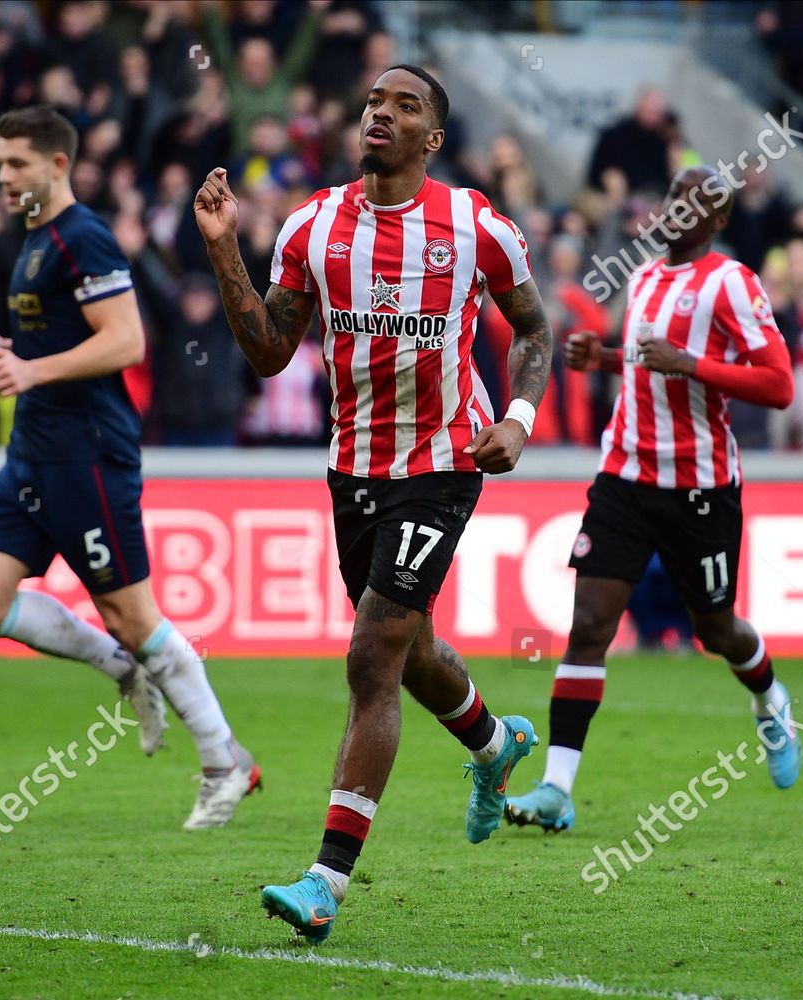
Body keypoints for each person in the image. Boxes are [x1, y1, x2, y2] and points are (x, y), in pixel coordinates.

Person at [194, 64, 551, 942]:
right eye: (372, 103)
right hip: (354, 471)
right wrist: (222, 250)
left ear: (433, 138)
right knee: (411, 647)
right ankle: (493, 744)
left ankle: (325, 882)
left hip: (445, 462)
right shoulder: (314, 226)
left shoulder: (476, 227)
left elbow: (536, 330)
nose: (380, 114)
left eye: (405, 105)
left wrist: (517, 418)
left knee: (372, 652)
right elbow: (272, 351)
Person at [0, 106, 259, 831]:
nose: (3, 176)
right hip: (34, 450)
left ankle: (224, 761)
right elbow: (62, 338)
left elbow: (125, 341)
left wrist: (30, 370)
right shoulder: (32, 241)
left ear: (57, 165)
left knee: (134, 615)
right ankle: (121, 667)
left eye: (17, 163)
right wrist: (2, 346)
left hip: (88, 454)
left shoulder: (83, 236)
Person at [505, 166, 801, 834]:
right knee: (589, 627)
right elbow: (650, 364)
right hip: (626, 476)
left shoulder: (732, 282)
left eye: (697, 202)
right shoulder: (643, 278)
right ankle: (556, 788)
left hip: (700, 486)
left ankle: (771, 702)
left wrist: (691, 364)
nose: (678, 209)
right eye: (672, 196)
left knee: (716, 629)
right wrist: (602, 359)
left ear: (719, 222)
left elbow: (778, 384)